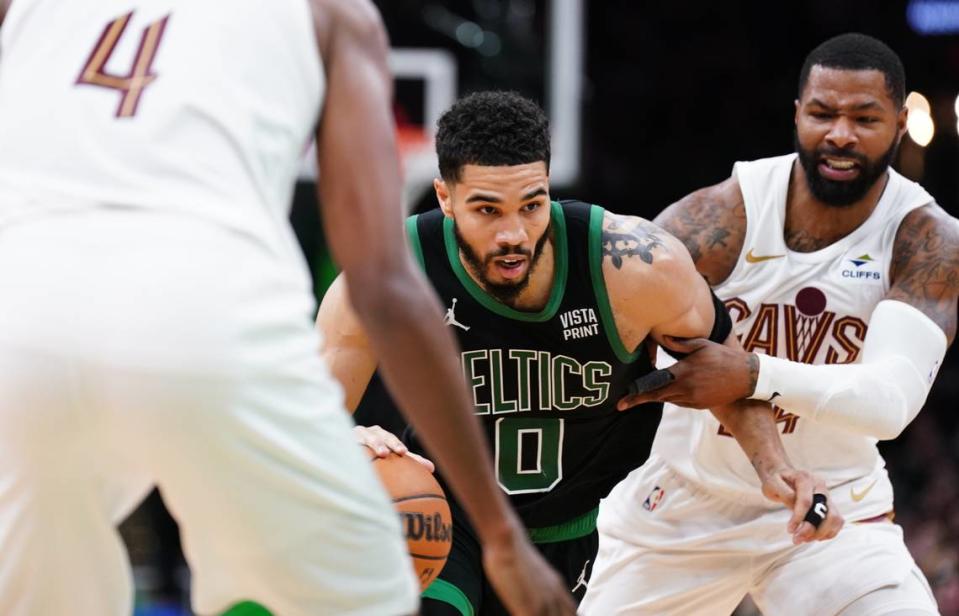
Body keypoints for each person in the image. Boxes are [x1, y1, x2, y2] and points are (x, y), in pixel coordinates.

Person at [0, 1, 575, 615]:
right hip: (206, 312)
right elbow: (382, 284)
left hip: (18, 316)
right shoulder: (335, 14)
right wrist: (501, 536)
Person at [316, 90, 842, 616]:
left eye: (532, 205)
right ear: (445, 197)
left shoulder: (635, 266)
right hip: (450, 519)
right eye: (486, 209)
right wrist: (346, 437)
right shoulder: (387, 276)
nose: (513, 234)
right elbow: (305, 412)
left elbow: (723, 368)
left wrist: (775, 467)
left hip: (580, 528)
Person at [581, 33, 957, 615]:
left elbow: (888, 404)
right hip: (685, 506)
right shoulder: (721, 215)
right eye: (823, 113)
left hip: (835, 509)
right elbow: (607, 321)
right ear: (797, 114)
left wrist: (748, 372)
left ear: (902, 122)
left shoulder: (926, 239)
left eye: (865, 117)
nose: (840, 134)